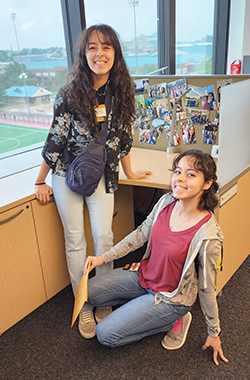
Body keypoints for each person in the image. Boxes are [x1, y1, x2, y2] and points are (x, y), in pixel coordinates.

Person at [34, 24, 151, 335]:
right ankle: (83, 302)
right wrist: (39, 181)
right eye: (93, 48)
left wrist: (129, 172)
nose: (100, 53)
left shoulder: (123, 91)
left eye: (106, 47)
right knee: (75, 240)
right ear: (83, 54)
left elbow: (123, 138)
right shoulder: (69, 93)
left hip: (101, 173)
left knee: (104, 236)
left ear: (115, 53)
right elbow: (56, 138)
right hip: (65, 172)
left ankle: (104, 294)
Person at [81, 149, 228, 366]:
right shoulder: (166, 202)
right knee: (89, 291)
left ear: (207, 184)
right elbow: (140, 235)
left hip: (171, 298)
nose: (179, 178)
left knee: (105, 335)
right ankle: (146, 309)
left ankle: (174, 319)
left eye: (191, 174)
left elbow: (207, 287)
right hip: (144, 276)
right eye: (177, 171)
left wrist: (214, 331)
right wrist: (102, 258)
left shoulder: (208, 235)